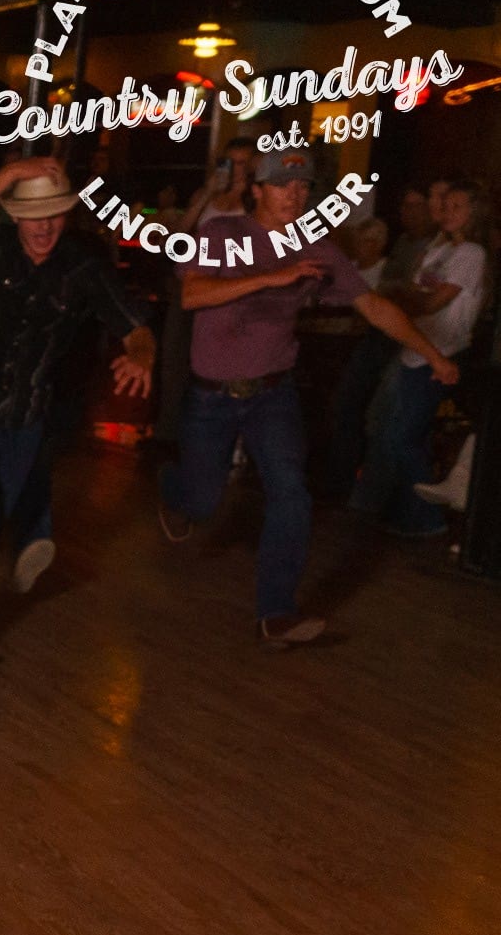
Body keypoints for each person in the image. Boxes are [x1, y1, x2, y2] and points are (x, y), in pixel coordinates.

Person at [157, 150, 459, 645]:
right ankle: (176, 493)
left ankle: (276, 613)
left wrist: (432, 354)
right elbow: (193, 294)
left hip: (272, 393)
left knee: (292, 492)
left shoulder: (315, 248)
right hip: (212, 397)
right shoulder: (222, 233)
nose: (295, 195)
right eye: (283, 185)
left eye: (303, 187)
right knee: (202, 499)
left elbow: (373, 306)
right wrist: (270, 277)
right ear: (258, 189)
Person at [0, 157, 152, 666]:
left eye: (54, 215)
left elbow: (135, 326)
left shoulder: (82, 266)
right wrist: (7, 174)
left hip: (26, 408)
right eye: (33, 215)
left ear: (67, 216)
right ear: (16, 216)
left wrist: (141, 354)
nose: (44, 227)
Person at [353, 179, 486, 539]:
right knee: (400, 430)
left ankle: (428, 517)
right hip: (415, 347)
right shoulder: (439, 248)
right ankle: (409, 510)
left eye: (457, 206)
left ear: (473, 213)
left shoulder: (471, 254)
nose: (447, 211)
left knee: (403, 436)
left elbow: (432, 301)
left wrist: (401, 302)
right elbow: (413, 291)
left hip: (440, 350)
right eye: (445, 204)